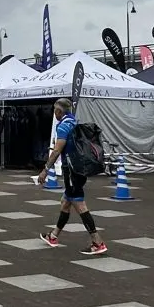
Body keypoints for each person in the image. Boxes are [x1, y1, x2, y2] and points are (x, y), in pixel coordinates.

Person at [38, 98, 108, 255]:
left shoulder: (62, 127)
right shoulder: (74, 122)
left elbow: (56, 151)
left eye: (54, 110)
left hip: (71, 170)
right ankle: (53, 236)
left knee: (80, 205)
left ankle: (97, 242)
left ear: (59, 111)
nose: (53, 113)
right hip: (80, 169)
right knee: (65, 202)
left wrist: (45, 169)